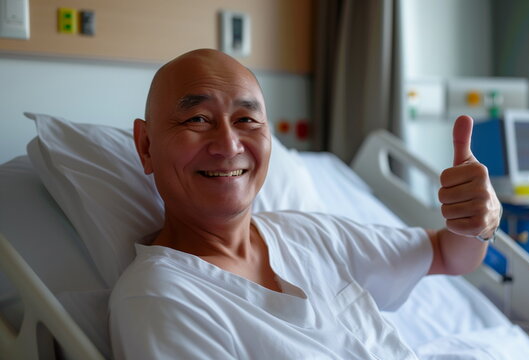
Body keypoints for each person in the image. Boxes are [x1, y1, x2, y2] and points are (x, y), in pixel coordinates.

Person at [108, 48, 502, 359]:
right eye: (196, 119)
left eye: (246, 120)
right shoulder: (163, 300)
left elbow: (447, 255)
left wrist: (476, 222)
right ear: (146, 146)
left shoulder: (307, 234)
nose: (229, 145)